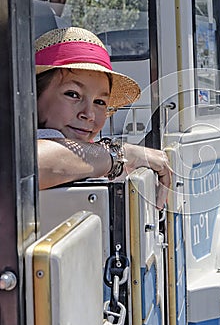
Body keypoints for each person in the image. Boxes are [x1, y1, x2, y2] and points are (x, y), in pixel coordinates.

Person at [36, 27, 171, 209]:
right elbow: (30, 165)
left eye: (100, 102)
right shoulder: (28, 140)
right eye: (73, 94)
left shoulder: (90, 155)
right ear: (31, 97)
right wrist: (120, 155)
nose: (89, 114)